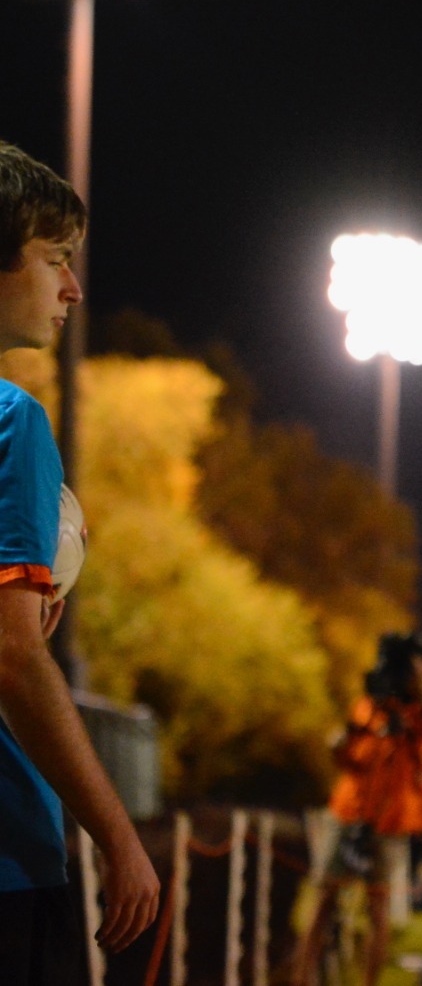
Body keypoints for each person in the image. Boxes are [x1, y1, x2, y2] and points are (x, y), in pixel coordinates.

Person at [0, 141, 161, 980]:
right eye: (53, 257)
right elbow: (12, 658)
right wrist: (118, 836)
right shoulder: (12, 423)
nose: (73, 287)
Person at [298, 631, 422, 986]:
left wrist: (420, 680)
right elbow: (349, 758)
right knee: (324, 900)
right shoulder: (368, 705)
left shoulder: (418, 714)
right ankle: (302, 979)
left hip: (389, 821)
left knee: (378, 908)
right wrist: (338, 746)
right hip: (348, 811)